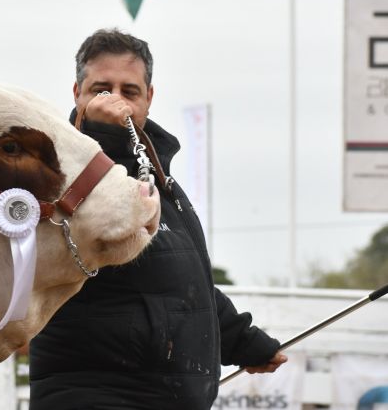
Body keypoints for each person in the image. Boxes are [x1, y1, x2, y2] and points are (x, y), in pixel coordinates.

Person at [29, 29, 287, 409]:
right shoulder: (55, 175)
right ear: (77, 93)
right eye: (102, 89)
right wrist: (104, 135)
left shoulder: (161, 181)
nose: (115, 101)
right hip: (94, 395)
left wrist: (240, 341)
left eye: (129, 91)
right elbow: (101, 214)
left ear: (149, 98)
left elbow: (182, 284)